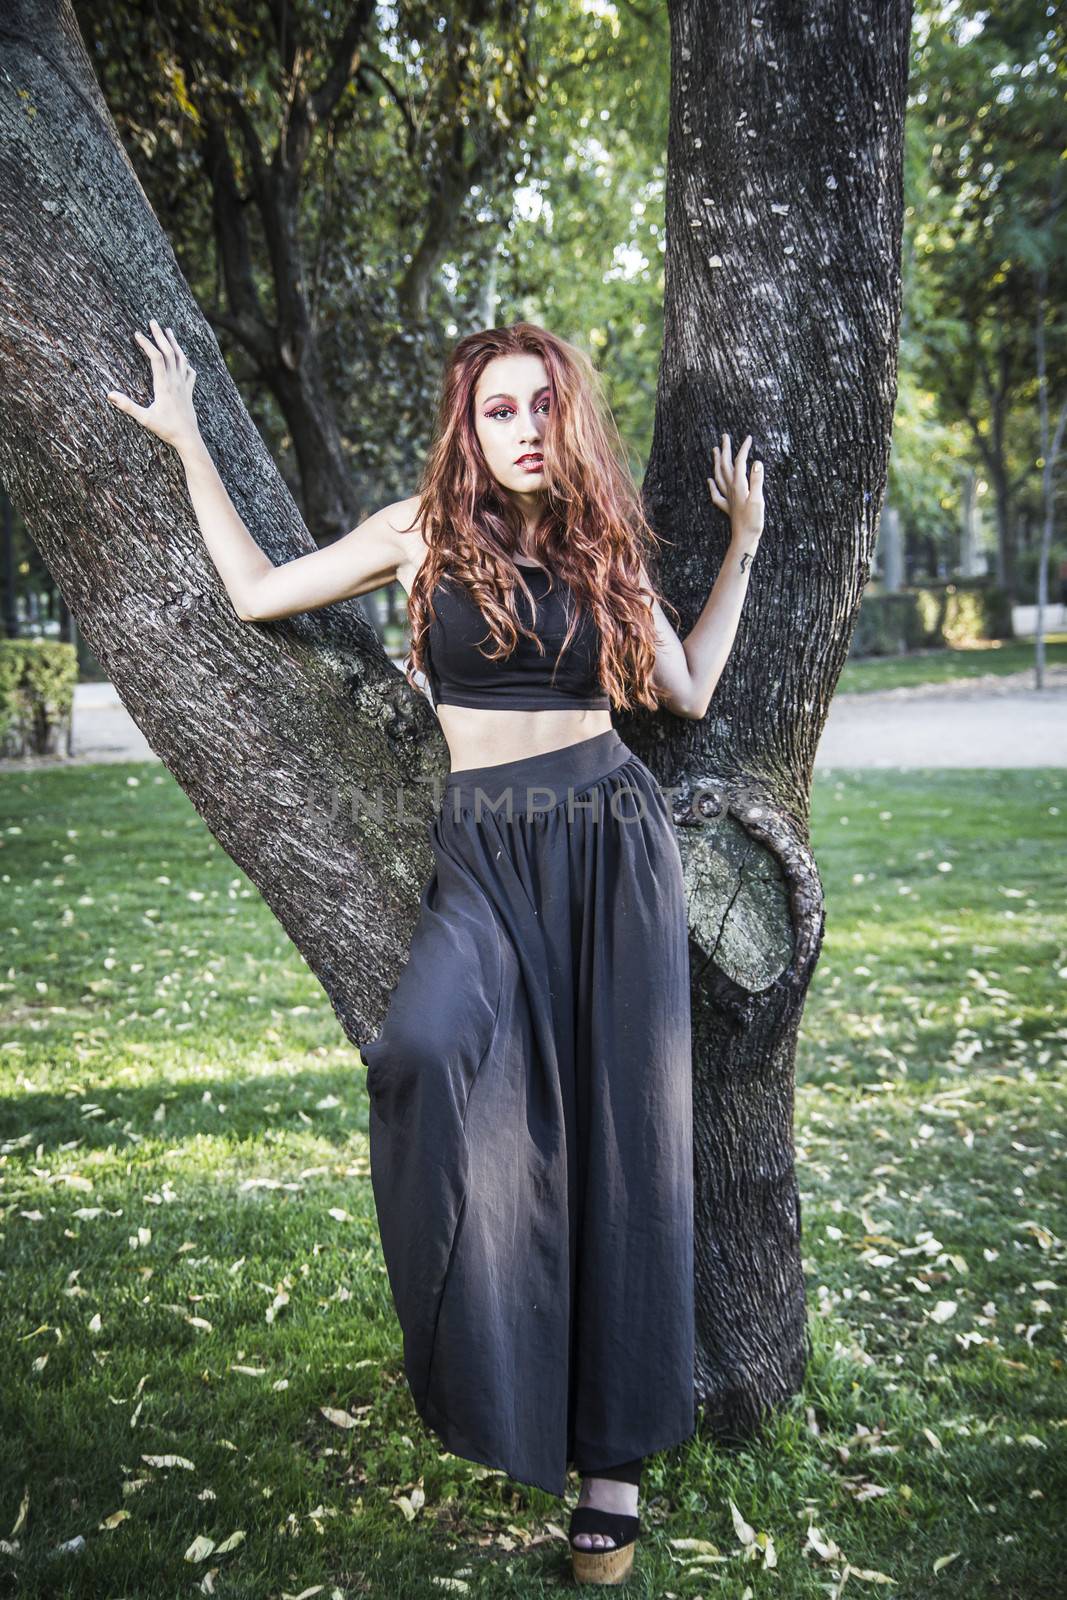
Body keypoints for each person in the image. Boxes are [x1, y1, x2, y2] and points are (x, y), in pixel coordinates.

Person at [106, 318, 764, 1586]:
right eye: (497, 409)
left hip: (609, 844)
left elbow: (682, 691)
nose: (520, 429)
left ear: (565, 420)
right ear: (467, 425)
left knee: (624, 1139)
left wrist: (740, 546)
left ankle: (610, 1466)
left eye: (538, 407)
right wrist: (189, 438)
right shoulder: (418, 531)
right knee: (420, 1050)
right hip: (484, 858)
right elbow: (255, 592)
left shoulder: (602, 544)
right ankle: (492, 1370)